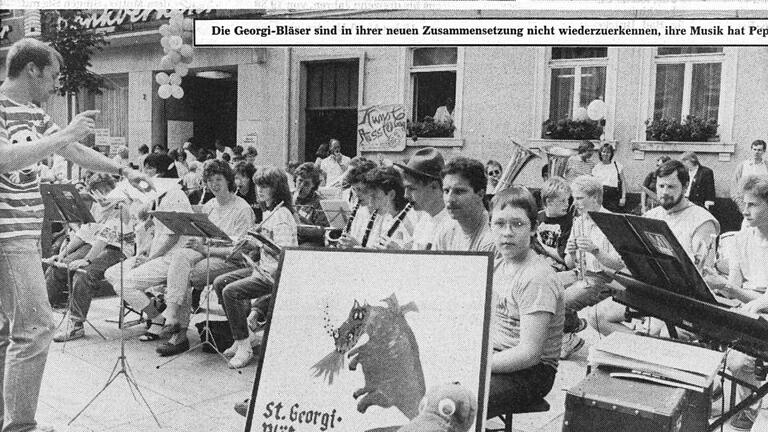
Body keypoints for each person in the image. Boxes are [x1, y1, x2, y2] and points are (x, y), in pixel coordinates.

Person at [0, 38, 144, 432]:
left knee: (8, 332)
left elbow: (74, 152)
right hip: (6, 233)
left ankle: (6, 420)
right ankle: (20, 427)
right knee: (36, 327)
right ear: (32, 69)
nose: (57, 84)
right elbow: (4, 157)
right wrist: (65, 135)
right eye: (54, 74)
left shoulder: (32, 112)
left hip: (23, 232)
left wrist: (121, 169)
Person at [588, 160, 719, 337]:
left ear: (686, 186)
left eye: (671, 187)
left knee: (659, 332)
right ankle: (639, 350)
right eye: (661, 186)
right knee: (597, 316)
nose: (664, 192)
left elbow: (703, 275)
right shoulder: (652, 215)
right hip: (650, 292)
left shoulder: (702, 221)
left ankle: (645, 349)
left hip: (684, 301)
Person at [156, 160, 255, 356]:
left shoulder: (242, 208)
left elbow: (240, 251)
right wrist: (195, 241)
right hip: (207, 253)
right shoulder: (210, 205)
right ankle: (173, 316)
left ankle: (178, 331)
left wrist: (204, 249)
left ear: (228, 180)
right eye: (209, 180)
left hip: (230, 260)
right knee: (180, 257)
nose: (214, 184)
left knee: (184, 275)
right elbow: (203, 236)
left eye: (218, 179)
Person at [486, 186, 565, 419]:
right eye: (499, 224)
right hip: (500, 355)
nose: (507, 233)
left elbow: (530, 352)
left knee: (457, 399)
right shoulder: (500, 264)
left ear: (533, 229)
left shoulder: (536, 276)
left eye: (517, 224)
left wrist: (479, 364)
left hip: (532, 372)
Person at [103, 153, 193, 341]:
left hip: (171, 256)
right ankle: (156, 306)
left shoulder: (176, 194)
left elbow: (174, 235)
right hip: (156, 252)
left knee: (124, 284)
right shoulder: (158, 195)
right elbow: (153, 227)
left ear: (159, 171)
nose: (145, 173)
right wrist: (145, 251)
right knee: (112, 274)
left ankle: (157, 319)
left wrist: (150, 259)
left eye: (149, 169)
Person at [215, 167, 298, 368]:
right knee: (220, 282)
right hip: (262, 268)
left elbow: (284, 252)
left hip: (276, 274)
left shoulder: (282, 215)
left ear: (277, 188)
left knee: (231, 292)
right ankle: (246, 335)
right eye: (258, 185)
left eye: (266, 186)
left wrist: (258, 243)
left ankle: (244, 346)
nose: (260, 190)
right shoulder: (270, 211)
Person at [48, 173, 134, 342]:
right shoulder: (96, 206)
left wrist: (87, 260)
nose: (101, 195)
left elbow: (105, 236)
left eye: (105, 190)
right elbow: (84, 232)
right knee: (57, 267)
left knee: (83, 272)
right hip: (94, 245)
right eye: (96, 191)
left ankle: (76, 324)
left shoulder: (122, 206)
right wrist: (62, 254)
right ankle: (40, 316)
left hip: (118, 248)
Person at [714, 175, 768, 431]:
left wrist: (742, 296)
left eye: (753, 205)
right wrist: (714, 282)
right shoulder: (742, 238)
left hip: (760, 310)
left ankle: (755, 409)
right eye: (743, 204)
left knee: (739, 360)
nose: (745, 211)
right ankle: (750, 407)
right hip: (750, 308)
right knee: (733, 360)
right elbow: (731, 287)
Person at [560, 175, 625, 360]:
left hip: (602, 278)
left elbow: (619, 265)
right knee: (544, 285)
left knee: (562, 300)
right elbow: (569, 263)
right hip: (579, 273)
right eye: (574, 198)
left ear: (595, 198)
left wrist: (595, 251)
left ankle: (567, 336)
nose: (575, 203)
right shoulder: (578, 221)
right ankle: (572, 327)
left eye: (580, 198)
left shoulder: (612, 222)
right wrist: (571, 253)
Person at [432, 157, 495, 253]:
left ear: (480, 194)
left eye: (459, 191)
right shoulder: (445, 231)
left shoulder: (492, 238)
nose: (449, 199)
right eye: (446, 191)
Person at [394, 147, 448, 250]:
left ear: (434, 186)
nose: (406, 195)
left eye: (412, 188)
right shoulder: (424, 220)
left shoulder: (451, 225)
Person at [360, 166, 417, 250]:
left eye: (374, 197)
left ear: (391, 195)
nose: (370, 203)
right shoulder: (384, 217)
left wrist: (399, 252)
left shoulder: (411, 220)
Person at [536, 176, 573, 271]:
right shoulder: (537, 217)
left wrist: (540, 244)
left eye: (568, 200)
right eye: (563, 201)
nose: (567, 204)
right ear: (549, 202)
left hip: (558, 269)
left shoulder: (569, 222)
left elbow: (564, 259)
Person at [732, 140, 768, 211]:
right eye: (754, 149)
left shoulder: (766, 166)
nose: (756, 152)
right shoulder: (742, 165)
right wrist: (741, 204)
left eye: (759, 150)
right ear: (751, 150)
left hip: (764, 206)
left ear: (764, 151)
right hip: (746, 205)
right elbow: (734, 186)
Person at [591, 143, 627, 213]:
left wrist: (623, 197)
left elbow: (623, 183)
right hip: (600, 195)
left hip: (613, 196)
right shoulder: (596, 167)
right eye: (604, 152)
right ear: (600, 153)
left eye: (608, 152)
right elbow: (593, 185)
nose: (606, 154)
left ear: (611, 154)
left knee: (613, 217)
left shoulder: (617, 166)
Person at [293, 162, 329, 228]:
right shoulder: (288, 197)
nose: (301, 186)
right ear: (295, 180)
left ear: (314, 185)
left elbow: (321, 230)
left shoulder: (320, 203)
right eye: (300, 181)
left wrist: (298, 218)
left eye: (306, 183)